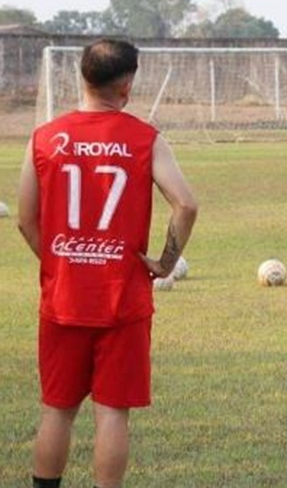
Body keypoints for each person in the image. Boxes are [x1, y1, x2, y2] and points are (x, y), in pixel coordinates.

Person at [17, 38, 199, 487]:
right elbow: (186, 204)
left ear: (81, 76)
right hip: (122, 300)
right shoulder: (146, 139)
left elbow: (25, 220)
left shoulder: (45, 138)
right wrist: (165, 262)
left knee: (57, 410)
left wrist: (62, 263)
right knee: (112, 411)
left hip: (63, 299)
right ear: (128, 85)